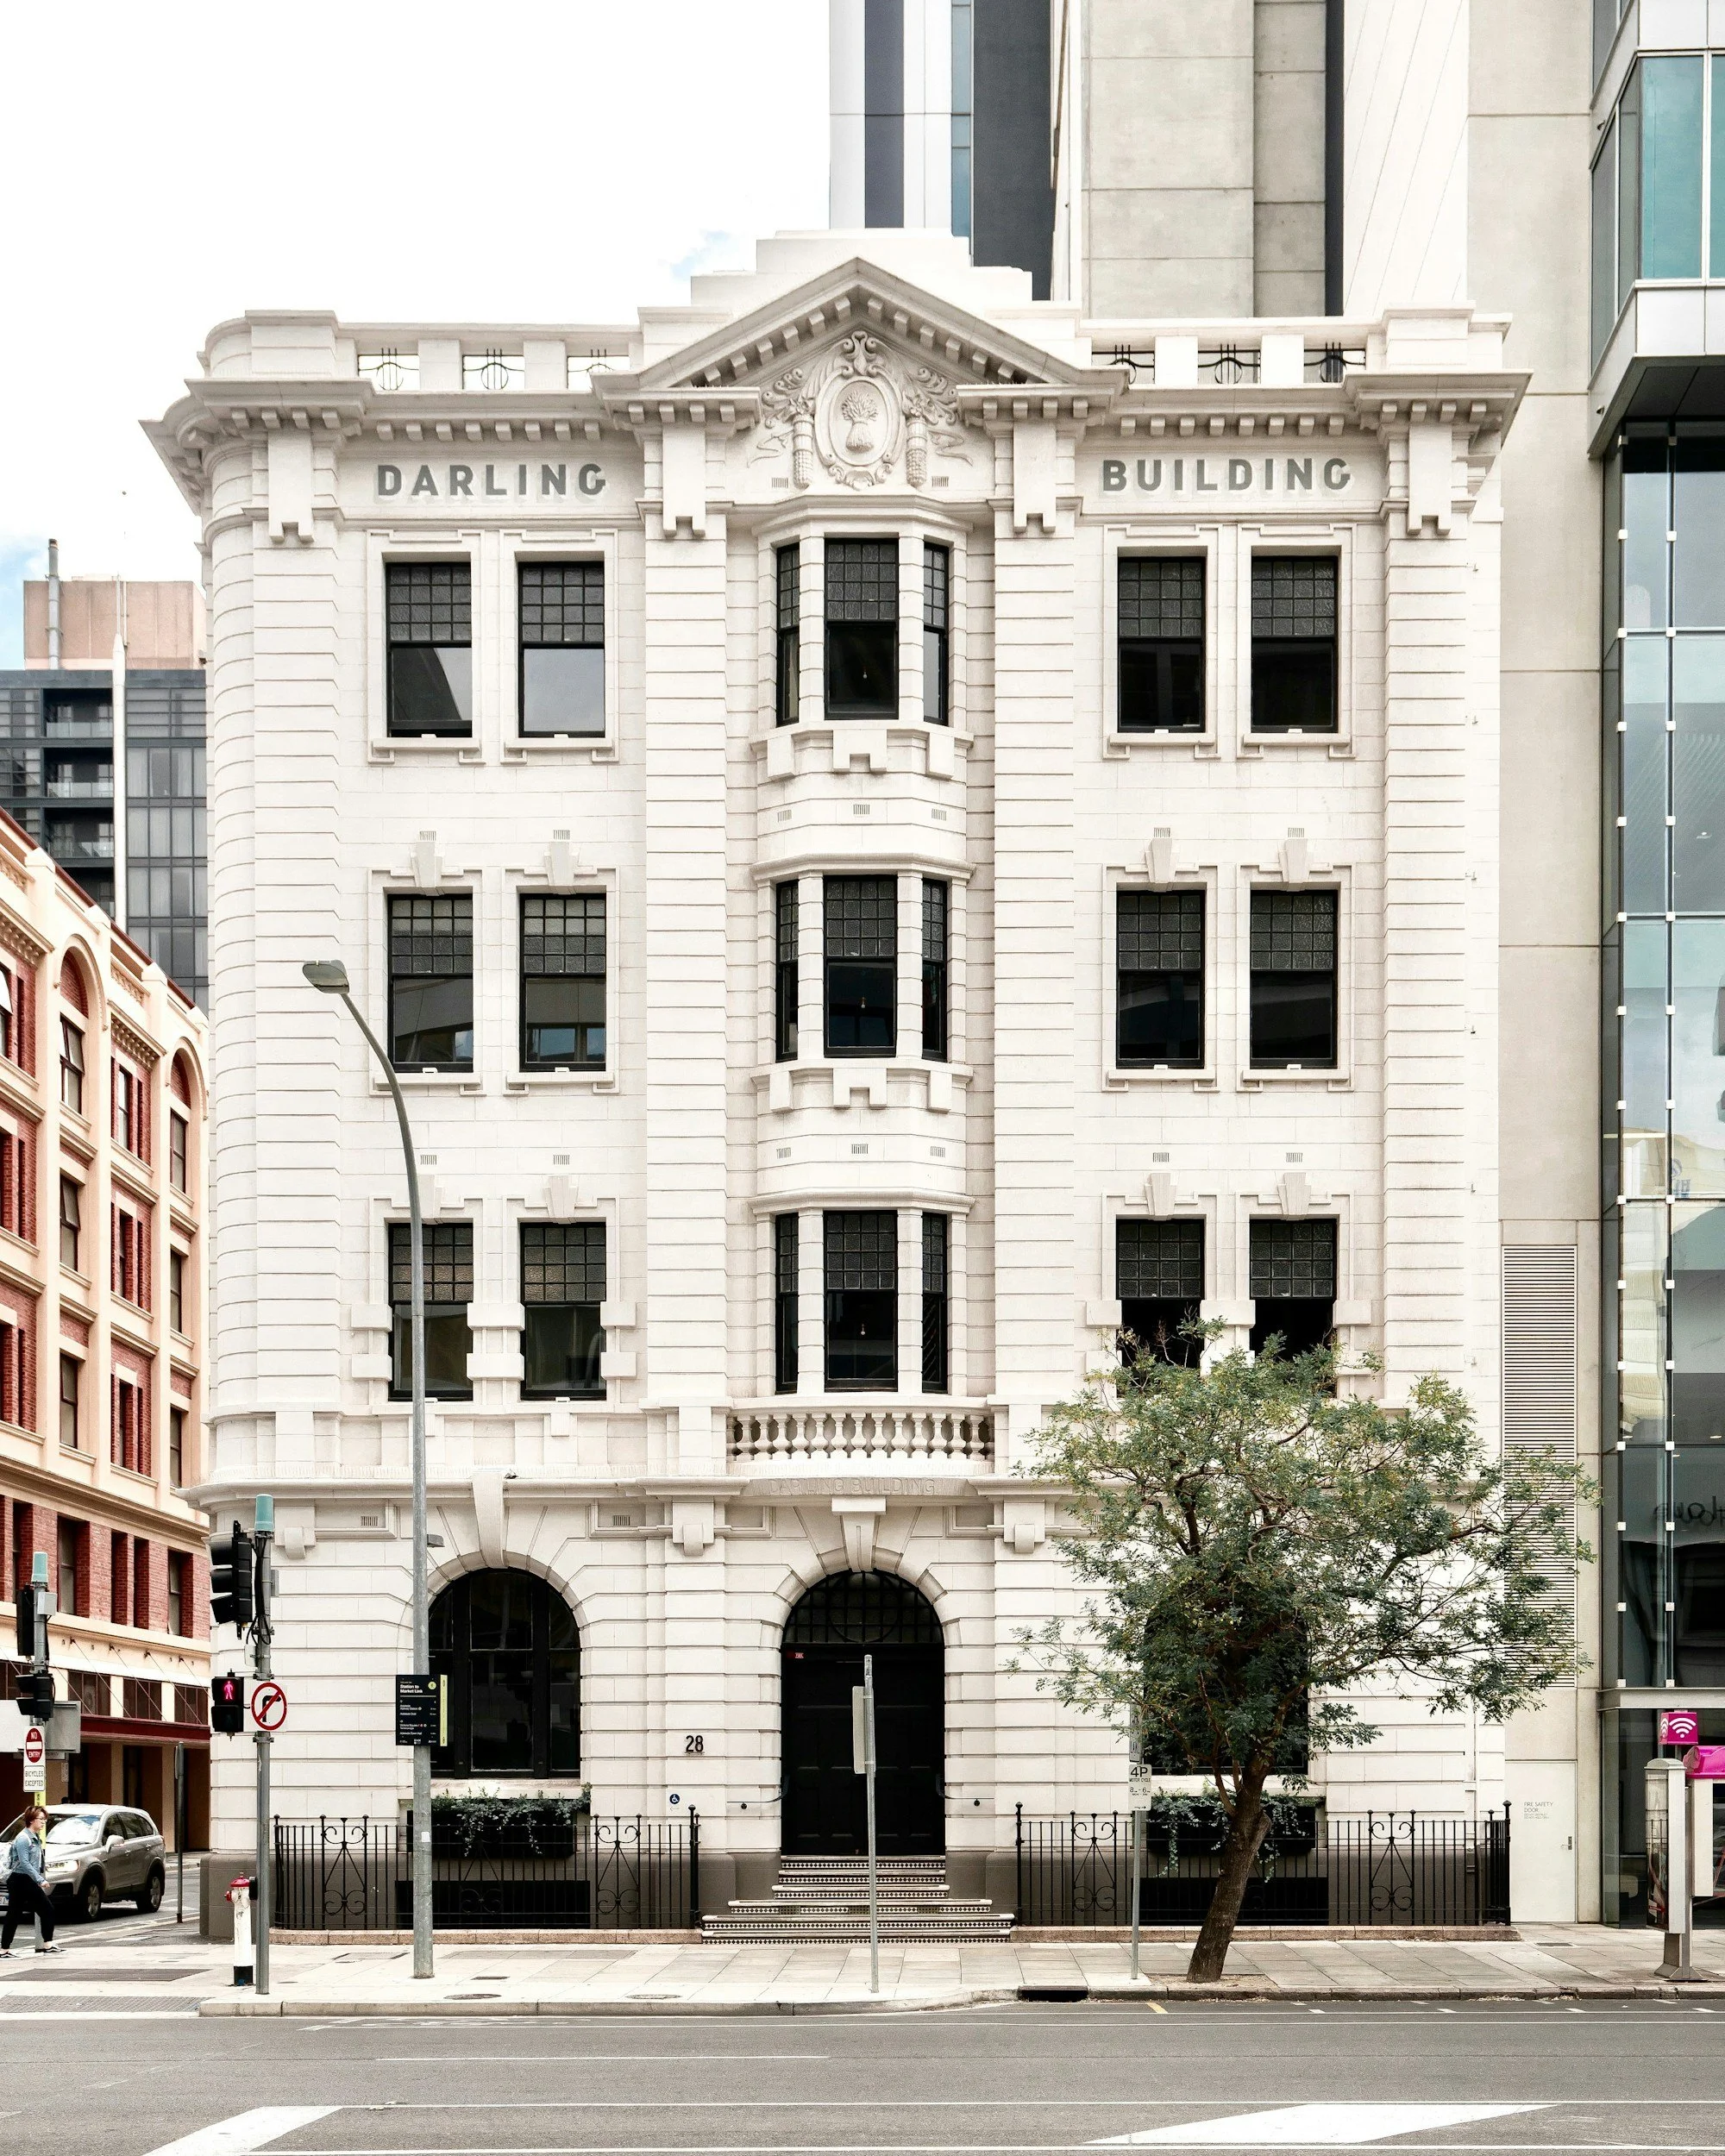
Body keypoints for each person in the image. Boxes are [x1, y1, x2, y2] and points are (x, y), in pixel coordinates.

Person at [1, 1806, 61, 1956]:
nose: (43, 1823)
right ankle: (47, 1944)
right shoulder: (23, 1839)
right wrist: (40, 1880)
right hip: (20, 1879)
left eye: (44, 1820)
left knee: (14, 1914)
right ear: (31, 1820)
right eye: (41, 1819)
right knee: (47, 1909)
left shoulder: (34, 1837)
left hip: (22, 1880)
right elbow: (24, 1863)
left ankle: (4, 1949)